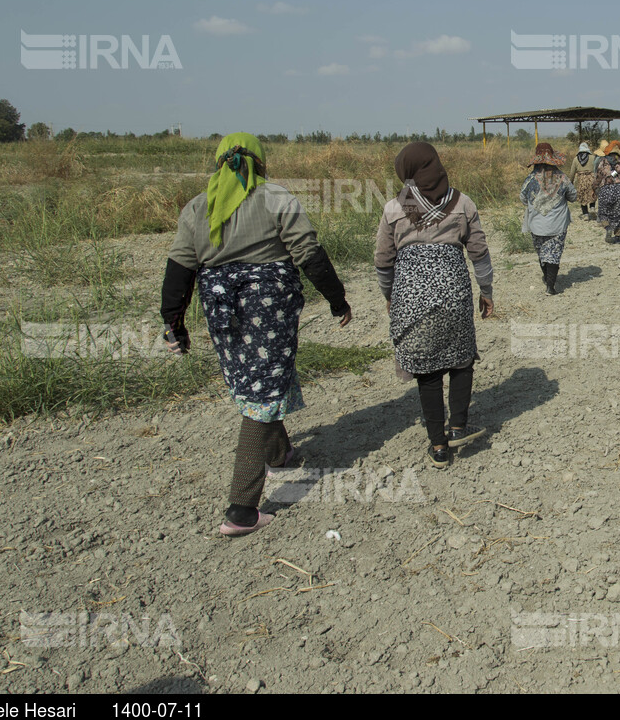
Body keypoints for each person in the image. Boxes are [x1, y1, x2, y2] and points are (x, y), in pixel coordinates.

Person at [161, 133, 352, 538]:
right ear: (261, 164)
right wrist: (337, 300)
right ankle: (241, 510)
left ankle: (279, 453)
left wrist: (172, 322)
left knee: (257, 377)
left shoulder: (198, 207)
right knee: (263, 391)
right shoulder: (276, 199)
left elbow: (180, 267)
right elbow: (309, 253)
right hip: (269, 305)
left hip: (220, 309)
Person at [376, 142, 493, 468]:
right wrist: (487, 291)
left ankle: (439, 447)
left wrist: (389, 295)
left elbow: (384, 262)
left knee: (427, 374)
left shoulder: (395, 209)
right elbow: (479, 253)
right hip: (454, 298)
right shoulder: (462, 203)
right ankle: (457, 426)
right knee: (461, 362)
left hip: (410, 303)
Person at [520, 143, 578, 295]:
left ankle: (547, 277)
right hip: (557, 224)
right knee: (554, 252)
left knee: (541, 251)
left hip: (536, 224)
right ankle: (550, 286)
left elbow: (523, 199)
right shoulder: (562, 178)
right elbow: (573, 196)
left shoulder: (530, 179)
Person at [595, 140, 620, 243]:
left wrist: (594, 188)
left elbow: (598, 177)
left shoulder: (602, 162)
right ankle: (617, 237)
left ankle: (608, 228)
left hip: (605, 190)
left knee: (603, 212)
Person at [567, 141, 599, 220]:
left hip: (581, 180)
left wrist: (570, 182)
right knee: (592, 193)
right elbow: (597, 168)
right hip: (591, 178)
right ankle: (592, 208)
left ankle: (585, 214)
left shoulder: (575, 159)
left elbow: (572, 173)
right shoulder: (593, 157)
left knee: (582, 196)